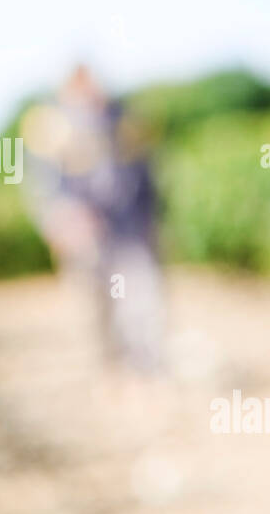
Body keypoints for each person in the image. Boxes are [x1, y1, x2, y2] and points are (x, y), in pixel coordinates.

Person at [20, 65, 164, 373]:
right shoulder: (51, 129)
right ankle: (110, 366)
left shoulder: (124, 121)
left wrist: (154, 218)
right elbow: (43, 189)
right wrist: (60, 221)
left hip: (130, 230)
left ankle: (145, 365)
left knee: (140, 298)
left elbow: (146, 174)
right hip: (85, 236)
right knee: (96, 305)